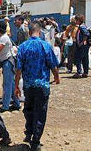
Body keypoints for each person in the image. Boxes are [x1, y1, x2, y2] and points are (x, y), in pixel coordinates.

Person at [15, 21, 60, 151]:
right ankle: (36, 140)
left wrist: (16, 85)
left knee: (28, 109)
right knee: (40, 112)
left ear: (29, 32)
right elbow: (53, 65)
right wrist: (57, 77)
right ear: (39, 32)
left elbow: (18, 69)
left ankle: (29, 132)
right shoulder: (45, 46)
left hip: (28, 85)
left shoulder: (23, 47)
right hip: (42, 85)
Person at [0, 20, 21, 112]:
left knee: (7, 85)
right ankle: (17, 103)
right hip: (7, 62)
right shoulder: (3, 37)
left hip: (7, 62)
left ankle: (5, 106)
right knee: (12, 84)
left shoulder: (3, 38)